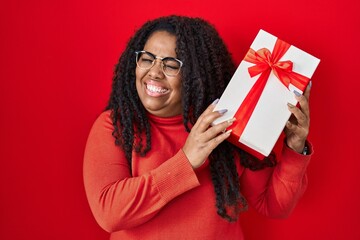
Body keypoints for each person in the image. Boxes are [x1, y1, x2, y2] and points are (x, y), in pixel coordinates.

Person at [83, 15, 312, 240]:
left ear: (196, 77)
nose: (153, 72)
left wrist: (294, 148)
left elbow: (273, 206)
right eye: (147, 58)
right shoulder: (115, 125)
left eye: (171, 64)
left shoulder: (223, 124)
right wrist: (187, 161)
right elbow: (109, 213)